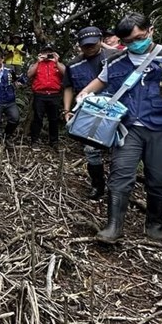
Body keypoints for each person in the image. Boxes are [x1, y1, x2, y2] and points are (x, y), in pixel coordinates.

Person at [78, 13, 162, 244]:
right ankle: (113, 226)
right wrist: (85, 93)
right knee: (120, 174)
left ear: (151, 30)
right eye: (128, 41)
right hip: (128, 127)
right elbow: (100, 81)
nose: (135, 44)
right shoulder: (116, 60)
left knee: (160, 177)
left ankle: (154, 225)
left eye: (139, 37)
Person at [63, 27, 112, 199]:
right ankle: (98, 186)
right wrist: (67, 110)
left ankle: (117, 187)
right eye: (85, 45)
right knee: (91, 149)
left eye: (93, 44)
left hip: (114, 110)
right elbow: (68, 87)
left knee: (120, 149)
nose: (89, 48)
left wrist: (108, 48)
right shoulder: (74, 64)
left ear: (101, 41)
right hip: (88, 111)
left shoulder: (113, 57)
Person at [27, 44, 65, 148]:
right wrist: (38, 61)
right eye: (45, 52)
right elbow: (29, 74)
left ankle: (54, 142)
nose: (47, 54)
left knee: (53, 119)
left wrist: (57, 61)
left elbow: (66, 73)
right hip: (40, 95)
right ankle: (34, 141)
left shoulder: (57, 64)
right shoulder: (37, 64)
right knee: (37, 118)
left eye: (49, 52)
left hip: (54, 95)